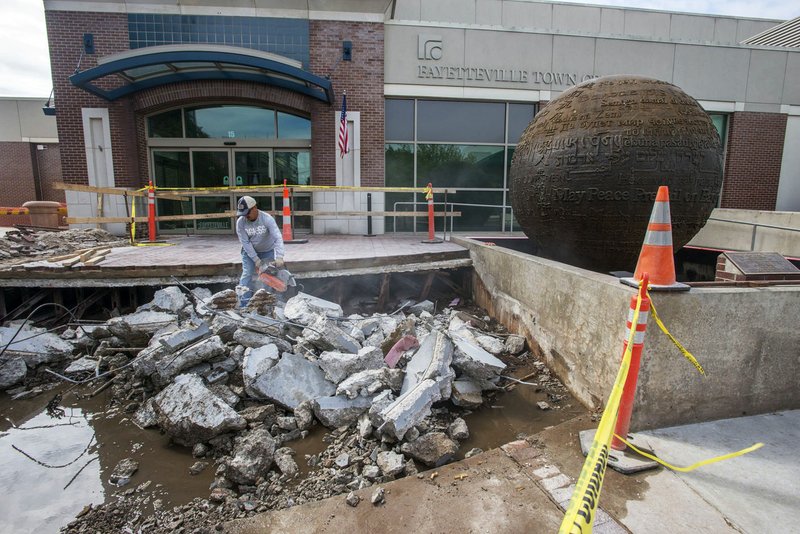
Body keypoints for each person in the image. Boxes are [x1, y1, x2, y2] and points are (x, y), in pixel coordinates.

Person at [235, 195, 285, 307]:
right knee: (247, 274)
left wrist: (280, 256)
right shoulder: (240, 222)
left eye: (247, 213)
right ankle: (243, 304)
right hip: (249, 253)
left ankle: (261, 304)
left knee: (267, 277)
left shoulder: (267, 219)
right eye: (243, 214)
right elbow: (245, 243)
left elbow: (277, 237)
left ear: (254, 208)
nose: (246, 216)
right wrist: (256, 259)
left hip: (267, 251)